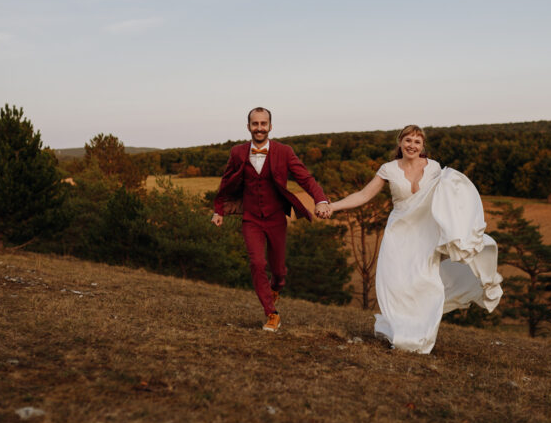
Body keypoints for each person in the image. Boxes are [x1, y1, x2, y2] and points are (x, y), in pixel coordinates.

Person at [328, 125, 502, 353]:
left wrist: (461, 226)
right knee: (397, 283)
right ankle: (400, 333)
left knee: (426, 283)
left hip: (425, 235)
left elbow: (451, 197)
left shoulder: (435, 168)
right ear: (400, 143)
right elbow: (364, 195)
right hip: (398, 234)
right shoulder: (388, 169)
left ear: (422, 146)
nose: (412, 145)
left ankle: (421, 336)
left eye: (417, 142)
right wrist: (333, 206)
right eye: (408, 140)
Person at [212, 107, 330, 332]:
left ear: (270, 126)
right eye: (255, 124)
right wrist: (219, 211)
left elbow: (305, 178)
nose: (259, 128)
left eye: (263, 124)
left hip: (276, 218)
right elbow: (226, 183)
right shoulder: (237, 153)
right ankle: (271, 313)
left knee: (278, 270)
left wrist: (320, 200)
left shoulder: (284, 152)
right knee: (257, 263)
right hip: (251, 219)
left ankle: (277, 286)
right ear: (248, 127)